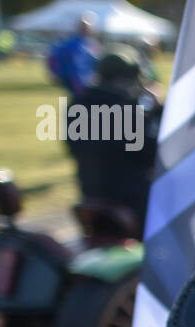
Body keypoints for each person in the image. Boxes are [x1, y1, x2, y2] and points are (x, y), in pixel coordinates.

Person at [65, 49, 161, 234]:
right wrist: (157, 110)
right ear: (125, 80)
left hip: (91, 198)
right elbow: (154, 154)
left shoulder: (77, 106)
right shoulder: (128, 112)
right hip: (131, 206)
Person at [48, 13, 101, 99]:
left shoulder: (91, 43)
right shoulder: (72, 44)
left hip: (86, 80)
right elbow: (55, 59)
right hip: (76, 80)